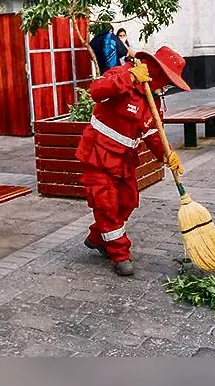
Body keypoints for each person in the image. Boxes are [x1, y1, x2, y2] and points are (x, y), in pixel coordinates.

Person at [75, 47, 187, 276]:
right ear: (156, 72)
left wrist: (167, 154)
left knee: (127, 201)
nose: (166, 87)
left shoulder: (153, 99)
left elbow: (153, 132)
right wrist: (130, 78)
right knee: (106, 204)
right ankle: (120, 254)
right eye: (166, 81)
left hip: (124, 160)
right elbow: (97, 90)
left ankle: (98, 238)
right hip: (98, 155)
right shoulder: (122, 73)